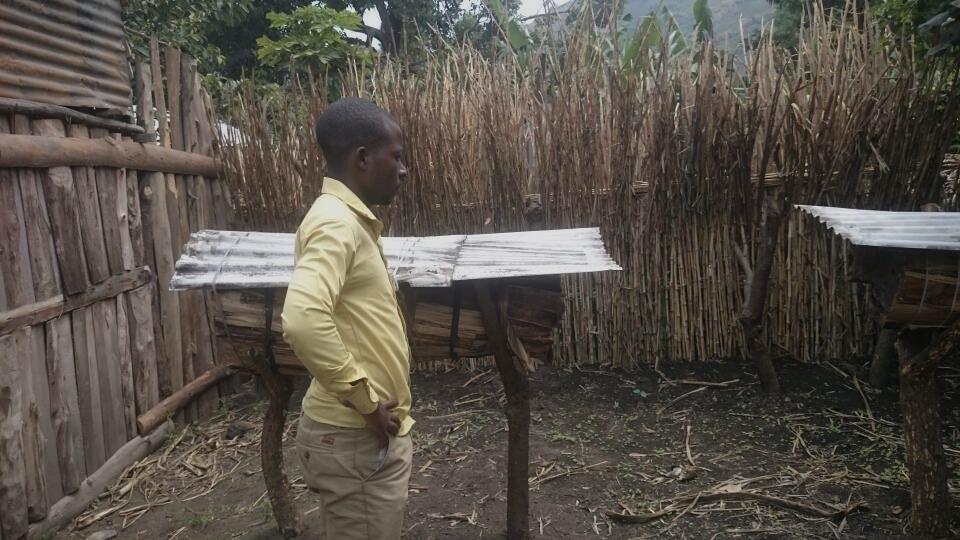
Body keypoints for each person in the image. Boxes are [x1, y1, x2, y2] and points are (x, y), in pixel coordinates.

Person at [281, 97, 412, 540]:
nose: (402, 169)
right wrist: (365, 399)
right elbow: (301, 318)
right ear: (362, 158)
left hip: (357, 437)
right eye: (395, 156)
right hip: (353, 434)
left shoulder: (348, 222)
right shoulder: (337, 224)